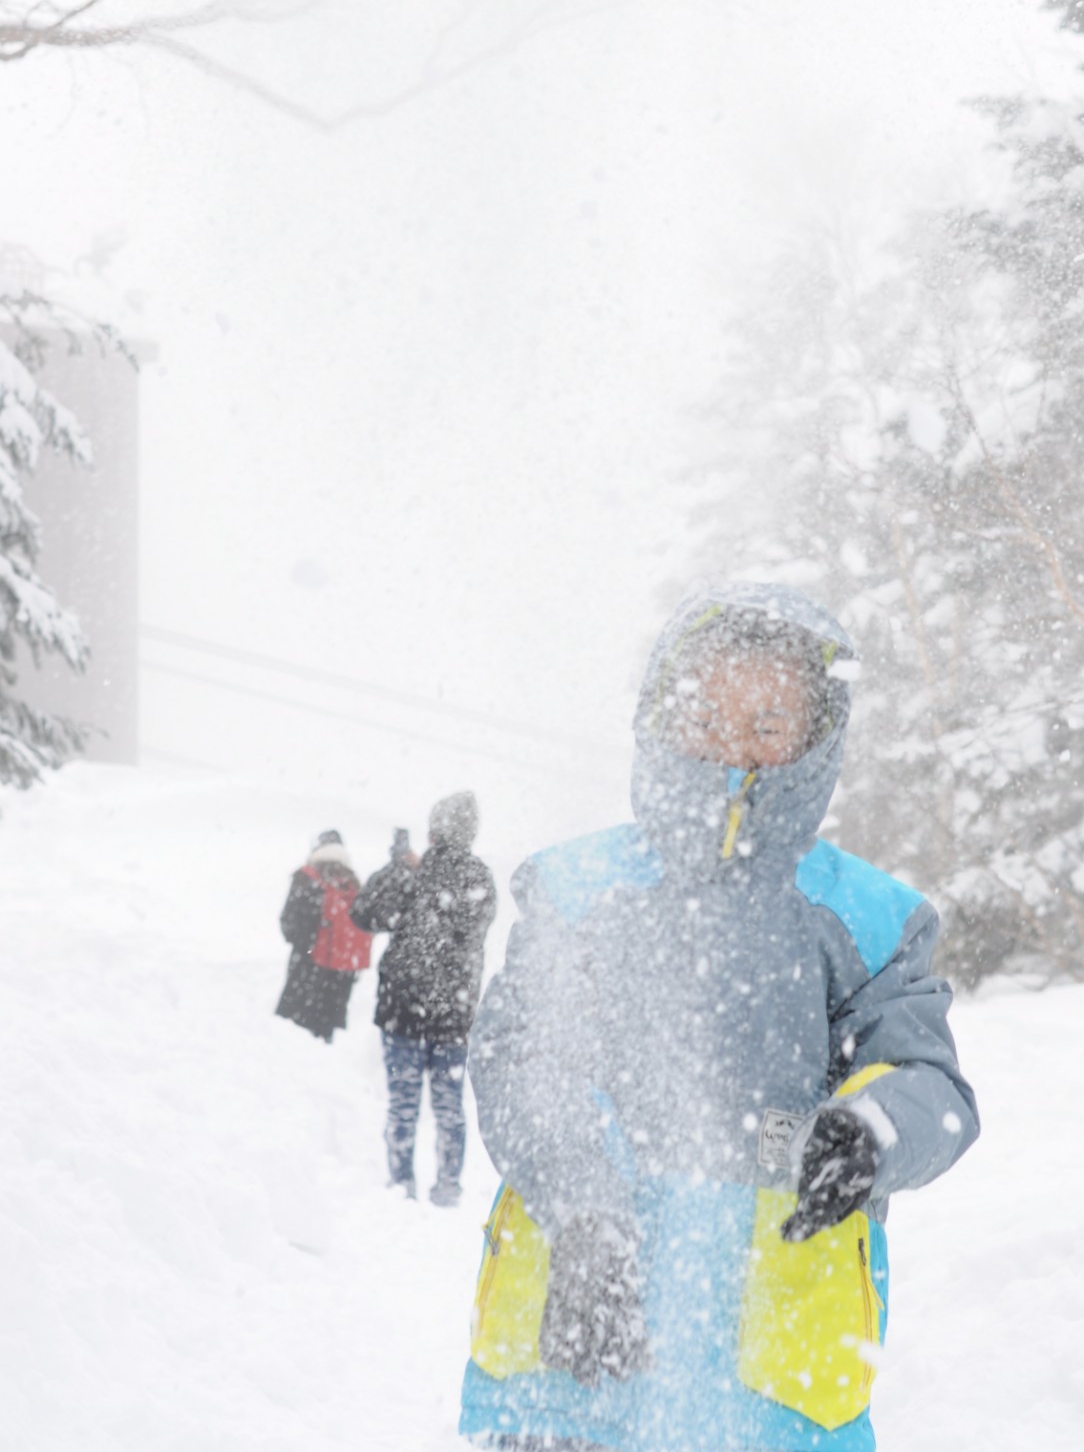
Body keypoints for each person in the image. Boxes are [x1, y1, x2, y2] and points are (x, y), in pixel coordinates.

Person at [459, 583, 979, 1452]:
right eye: (706, 717)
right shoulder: (578, 891)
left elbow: (930, 1083)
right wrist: (582, 1210)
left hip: (774, 1374)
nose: (733, 750)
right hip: (576, 1346)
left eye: (769, 728)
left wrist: (868, 1132)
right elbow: (521, 1060)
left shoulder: (868, 918)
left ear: (815, 744)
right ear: (659, 719)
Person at [353, 794, 497, 1205]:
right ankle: (447, 1186)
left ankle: (402, 1184)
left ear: (434, 830)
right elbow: (468, 928)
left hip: (403, 1010)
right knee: (449, 1107)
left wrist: (398, 865)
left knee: (403, 1105)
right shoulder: (480, 879)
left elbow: (362, 914)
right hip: (453, 1013)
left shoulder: (413, 875)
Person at [275, 829, 372, 1043]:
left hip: (307, 970)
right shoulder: (352, 882)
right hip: (340, 977)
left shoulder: (308, 877)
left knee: (291, 1038)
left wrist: (307, 945)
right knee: (323, 1041)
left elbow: (289, 924)